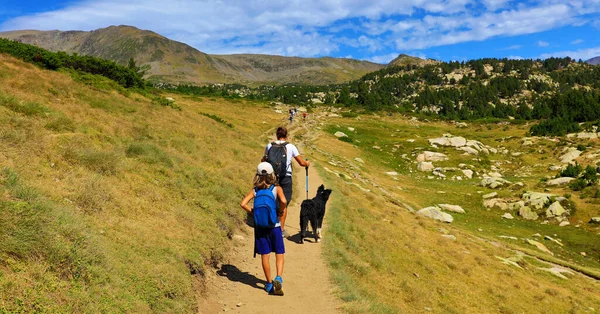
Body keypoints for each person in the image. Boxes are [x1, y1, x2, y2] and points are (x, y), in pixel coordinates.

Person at [240, 162, 287, 295]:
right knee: (279, 253)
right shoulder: (276, 188)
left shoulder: (255, 190)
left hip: (261, 228)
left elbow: (243, 203)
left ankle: (269, 283)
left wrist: (253, 212)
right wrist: (280, 211)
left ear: (258, 175)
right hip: (275, 226)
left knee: (265, 255)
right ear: (272, 174)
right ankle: (278, 277)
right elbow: (283, 201)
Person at [262, 127, 310, 237]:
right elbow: (301, 163)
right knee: (284, 202)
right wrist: (307, 163)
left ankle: (269, 224)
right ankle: (281, 230)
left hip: (272, 177)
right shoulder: (290, 146)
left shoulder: (270, 146)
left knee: (271, 200)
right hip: (286, 177)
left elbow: (263, 160)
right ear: (286, 135)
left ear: (276, 135)